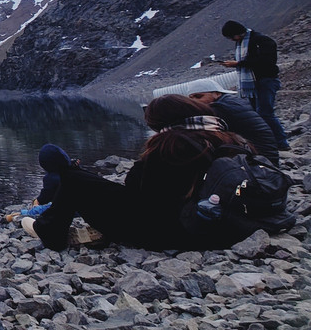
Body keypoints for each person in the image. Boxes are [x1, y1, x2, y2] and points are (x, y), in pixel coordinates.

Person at [22, 95, 260, 252]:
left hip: (171, 232)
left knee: (74, 179)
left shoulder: (173, 144)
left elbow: (139, 190)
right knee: (83, 179)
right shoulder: (226, 138)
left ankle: (50, 232)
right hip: (219, 225)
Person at [174, 78, 279, 164]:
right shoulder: (230, 101)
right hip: (266, 154)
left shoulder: (220, 107)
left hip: (260, 158)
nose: (195, 101)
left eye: (198, 96)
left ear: (216, 94)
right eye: (191, 98)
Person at [221, 20, 289, 151]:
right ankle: (264, 142)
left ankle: (281, 143)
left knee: (265, 113)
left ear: (237, 33)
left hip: (265, 80)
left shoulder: (261, 41)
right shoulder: (241, 43)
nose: (231, 40)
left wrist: (238, 64)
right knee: (254, 113)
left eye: (231, 37)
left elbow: (266, 61)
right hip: (252, 84)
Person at [4, 144, 79, 221]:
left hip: (67, 209)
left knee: (38, 210)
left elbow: (46, 196)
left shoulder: (51, 178)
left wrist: (38, 201)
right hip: (82, 205)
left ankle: (17, 216)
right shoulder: (73, 170)